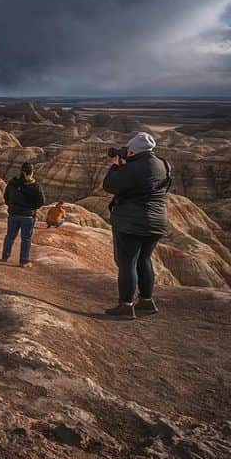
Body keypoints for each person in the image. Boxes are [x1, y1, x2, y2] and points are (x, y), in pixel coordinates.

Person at [101, 131, 172, 319]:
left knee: (127, 263)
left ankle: (126, 306)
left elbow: (109, 185)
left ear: (132, 152)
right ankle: (147, 302)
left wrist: (116, 167)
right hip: (157, 221)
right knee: (144, 259)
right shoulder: (163, 164)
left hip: (132, 223)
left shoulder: (131, 168)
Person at [1, 161, 45, 267]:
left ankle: (5, 257)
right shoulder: (35, 186)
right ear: (31, 172)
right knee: (26, 239)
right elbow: (41, 202)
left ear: (21, 171)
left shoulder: (12, 183)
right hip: (28, 216)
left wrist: (12, 206)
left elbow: (6, 197)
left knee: (10, 236)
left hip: (14, 214)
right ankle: (24, 261)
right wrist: (32, 208)